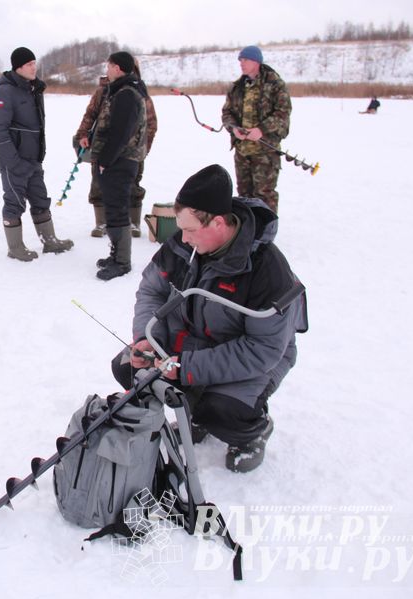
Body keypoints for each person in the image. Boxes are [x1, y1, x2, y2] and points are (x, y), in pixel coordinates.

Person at [113, 164, 307, 472]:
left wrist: (186, 367)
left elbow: (263, 349)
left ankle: (251, 433)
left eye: (190, 230)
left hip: (255, 357)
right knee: (129, 368)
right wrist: (146, 340)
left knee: (220, 409)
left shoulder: (267, 269)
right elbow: (152, 292)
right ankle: (195, 416)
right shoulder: (182, 246)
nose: (184, 238)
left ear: (218, 222)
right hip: (190, 343)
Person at [0, 46, 72, 262]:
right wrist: (13, 161)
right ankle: (15, 248)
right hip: (13, 159)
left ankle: (49, 241)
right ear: (18, 67)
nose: (34, 67)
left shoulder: (32, 89)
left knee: (40, 199)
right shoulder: (5, 91)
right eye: (29, 64)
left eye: (35, 63)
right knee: (14, 202)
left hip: (33, 158)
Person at [75, 58, 157, 239]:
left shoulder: (139, 93)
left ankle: (133, 223)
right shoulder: (103, 91)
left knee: (132, 184)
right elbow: (90, 115)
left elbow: (151, 124)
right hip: (103, 147)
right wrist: (82, 134)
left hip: (132, 152)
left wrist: (143, 148)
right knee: (98, 182)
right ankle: (101, 222)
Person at [86, 51, 149, 281]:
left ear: (119, 69)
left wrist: (105, 160)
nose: (107, 70)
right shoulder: (121, 91)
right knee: (113, 208)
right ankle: (116, 254)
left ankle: (122, 261)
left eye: (110, 65)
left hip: (120, 161)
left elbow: (120, 133)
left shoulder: (127, 95)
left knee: (117, 209)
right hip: (118, 160)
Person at [221, 45, 291, 214]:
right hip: (242, 151)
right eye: (240, 60)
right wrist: (234, 129)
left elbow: (283, 113)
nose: (241, 63)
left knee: (264, 195)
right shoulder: (237, 87)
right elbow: (227, 113)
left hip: (265, 151)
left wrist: (261, 130)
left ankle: (266, 233)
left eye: (245, 60)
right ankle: (248, 231)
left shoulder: (275, 84)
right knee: (244, 196)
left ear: (256, 61)